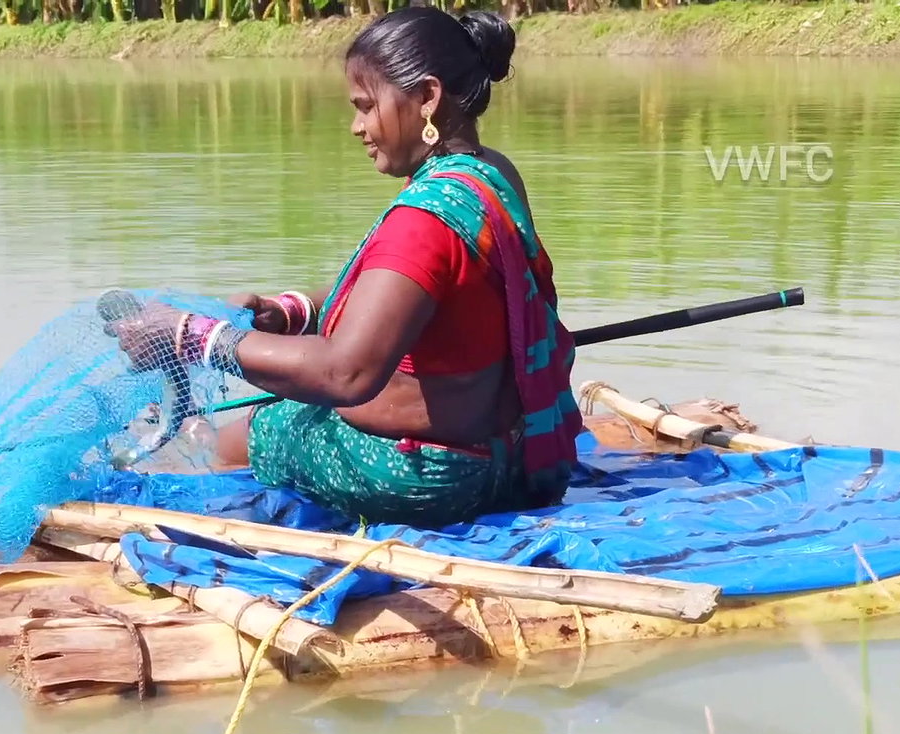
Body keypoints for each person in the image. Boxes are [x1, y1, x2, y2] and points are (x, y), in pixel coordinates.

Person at [109, 6, 582, 528]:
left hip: (429, 477)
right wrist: (291, 310)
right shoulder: (488, 174)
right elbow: (404, 300)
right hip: (509, 459)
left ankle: (195, 455)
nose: (357, 126)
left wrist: (193, 337)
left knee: (259, 427)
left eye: (366, 106)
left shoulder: (425, 219)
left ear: (426, 97)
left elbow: (345, 372)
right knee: (279, 409)